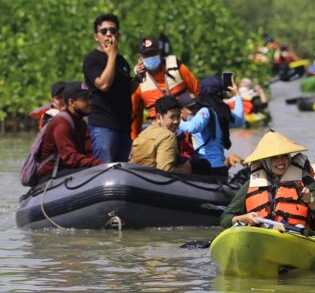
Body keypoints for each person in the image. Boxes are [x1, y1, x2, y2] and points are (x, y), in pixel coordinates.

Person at [220, 131, 315, 231]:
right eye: (274, 158)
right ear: (265, 161)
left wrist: (311, 200)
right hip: (261, 236)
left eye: (284, 156)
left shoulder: (305, 180)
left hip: (296, 237)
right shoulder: (251, 184)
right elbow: (225, 219)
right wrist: (243, 218)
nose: (281, 162)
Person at [82, 13, 143, 163]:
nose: (109, 34)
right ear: (97, 36)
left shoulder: (121, 60)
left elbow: (127, 89)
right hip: (103, 125)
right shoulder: (92, 59)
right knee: (105, 169)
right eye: (104, 31)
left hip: (123, 125)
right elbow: (103, 85)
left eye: (113, 30)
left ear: (118, 35)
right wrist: (111, 55)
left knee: (121, 168)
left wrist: (138, 77)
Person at [130, 36, 200, 139]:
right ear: (140, 57)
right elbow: (135, 113)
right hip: (159, 136)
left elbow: (198, 93)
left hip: (186, 132)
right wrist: (134, 139)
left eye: (153, 53)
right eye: (147, 55)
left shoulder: (178, 68)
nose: (150, 57)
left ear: (159, 53)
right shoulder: (139, 82)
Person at [178, 75, 244, 176]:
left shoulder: (205, 111)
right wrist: (237, 95)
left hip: (206, 167)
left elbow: (192, 127)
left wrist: (173, 120)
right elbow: (239, 121)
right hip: (220, 166)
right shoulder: (224, 111)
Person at [36, 82, 103, 179]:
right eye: (84, 99)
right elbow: (71, 157)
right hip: (52, 174)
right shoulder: (61, 123)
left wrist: (104, 164)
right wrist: (99, 164)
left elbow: (88, 150)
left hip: (69, 169)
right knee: (94, 173)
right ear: (71, 102)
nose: (89, 102)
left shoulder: (80, 122)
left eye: (90, 98)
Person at [129, 95, 192, 174]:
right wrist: (185, 170)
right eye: (172, 117)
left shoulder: (145, 132)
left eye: (178, 116)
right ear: (159, 117)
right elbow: (165, 170)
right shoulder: (168, 136)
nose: (176, 121)